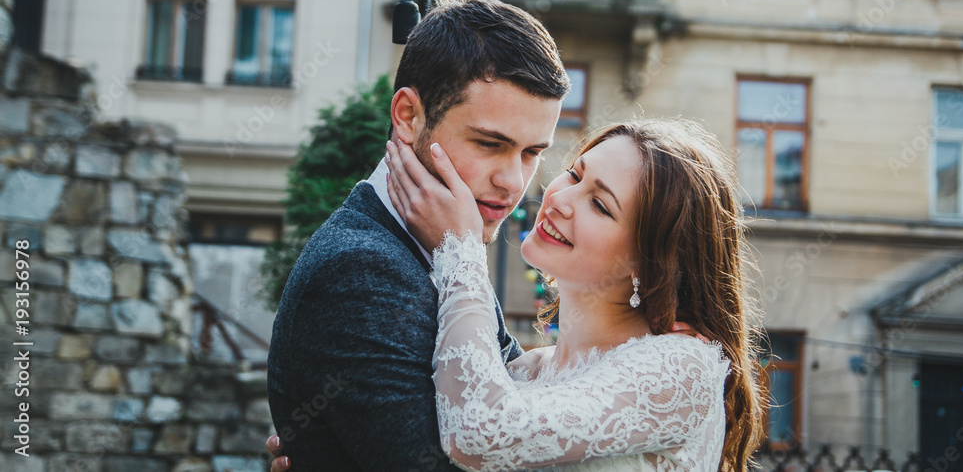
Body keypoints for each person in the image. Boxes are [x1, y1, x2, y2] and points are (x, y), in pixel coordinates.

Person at [270, 118, 764, 471]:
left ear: (648, 262)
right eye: (574, 174)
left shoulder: (681, 367)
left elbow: (478, 433)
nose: (561, 199)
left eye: (599, 204)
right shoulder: (527, 372)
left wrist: (459, 247)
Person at [266, 0, 570, 470]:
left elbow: (513, 401)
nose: (513, 182)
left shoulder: (447, 249)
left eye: (532, 152)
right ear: (408, 115)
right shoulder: (360, 270)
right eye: (490, 144)